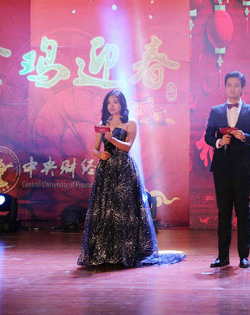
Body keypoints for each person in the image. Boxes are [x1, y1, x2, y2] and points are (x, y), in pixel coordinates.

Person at [78, 90, 184, 267]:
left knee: (124, 210)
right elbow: (95, 149)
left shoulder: (131, 122)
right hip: (106, 170)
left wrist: (112, 139)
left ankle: (126, 251)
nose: (112, 106)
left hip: (124, 168)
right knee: (107, 209)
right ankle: (105, 252)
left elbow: (127, 147)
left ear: (122, 104)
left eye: (115, 102)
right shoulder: (102, 124)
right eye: (109, 102)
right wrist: (99, 155)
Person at [205, 71, 250, 269]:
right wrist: (219, 141)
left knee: (243, 210)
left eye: (237, 85)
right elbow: (208, 136)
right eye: (229, 85)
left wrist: (244, 136)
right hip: (221, 167)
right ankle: (222, 256)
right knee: (223, 211)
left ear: (242, 88)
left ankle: (244, 256)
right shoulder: (216, 111)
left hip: (242, 167)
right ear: (225, 87)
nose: (233, 88)